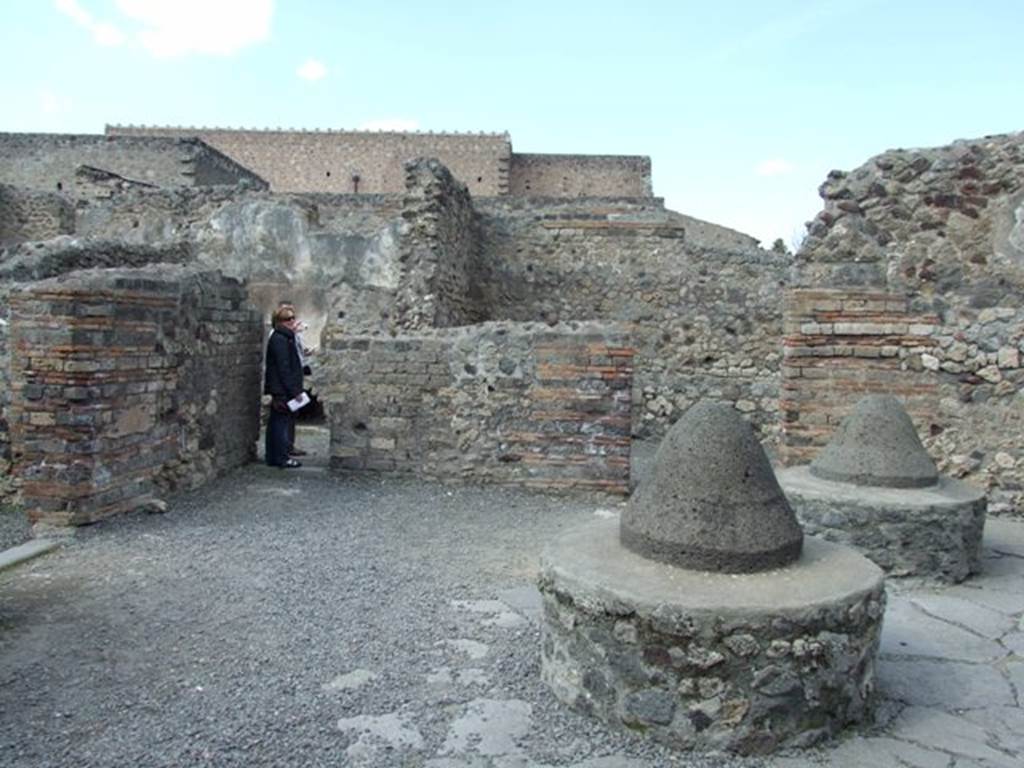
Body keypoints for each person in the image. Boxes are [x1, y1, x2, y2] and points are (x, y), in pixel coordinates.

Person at [264, 306, 305, 468]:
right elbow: (284, 367)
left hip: (281, 388)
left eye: (293, 318)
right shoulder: (280, 339)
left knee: (278, 422)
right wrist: (294, 391)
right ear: (280, 322)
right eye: (288, 319)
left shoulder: (285, 337)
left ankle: (275, 456)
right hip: (281, 389)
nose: (292, 321)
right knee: (280, 424)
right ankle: (280, 457)